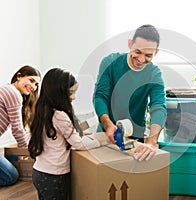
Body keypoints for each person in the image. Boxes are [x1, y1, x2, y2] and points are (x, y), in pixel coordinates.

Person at [28, 68, 107, 200]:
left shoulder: (43, 110)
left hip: (39, 172)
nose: (73, 97)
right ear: (58, 93)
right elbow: (79, 144)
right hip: (54, 175)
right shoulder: (60, 115)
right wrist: (102, 142)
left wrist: (79, 132)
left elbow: (61, 133)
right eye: (70, 93)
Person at [93, 24, 166, 161]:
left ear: (155, 53)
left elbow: (158, 106)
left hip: (135, 138)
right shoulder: (110, 62)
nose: (141, 59)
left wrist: (152, 141)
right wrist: (108, 124)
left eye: (148, 55)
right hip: (106, 133)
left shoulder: (154, 74)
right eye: (137, 52)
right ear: (129, 44)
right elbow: (100, 96)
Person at [0, 65, 41, 186]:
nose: (33, 87)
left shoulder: (8, 90)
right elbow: (17, 130)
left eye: (36, 85)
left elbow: (20, 129)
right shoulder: (13, 93)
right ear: (19, 76)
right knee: (10, 176)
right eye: (31, 80)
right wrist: (30, 152)